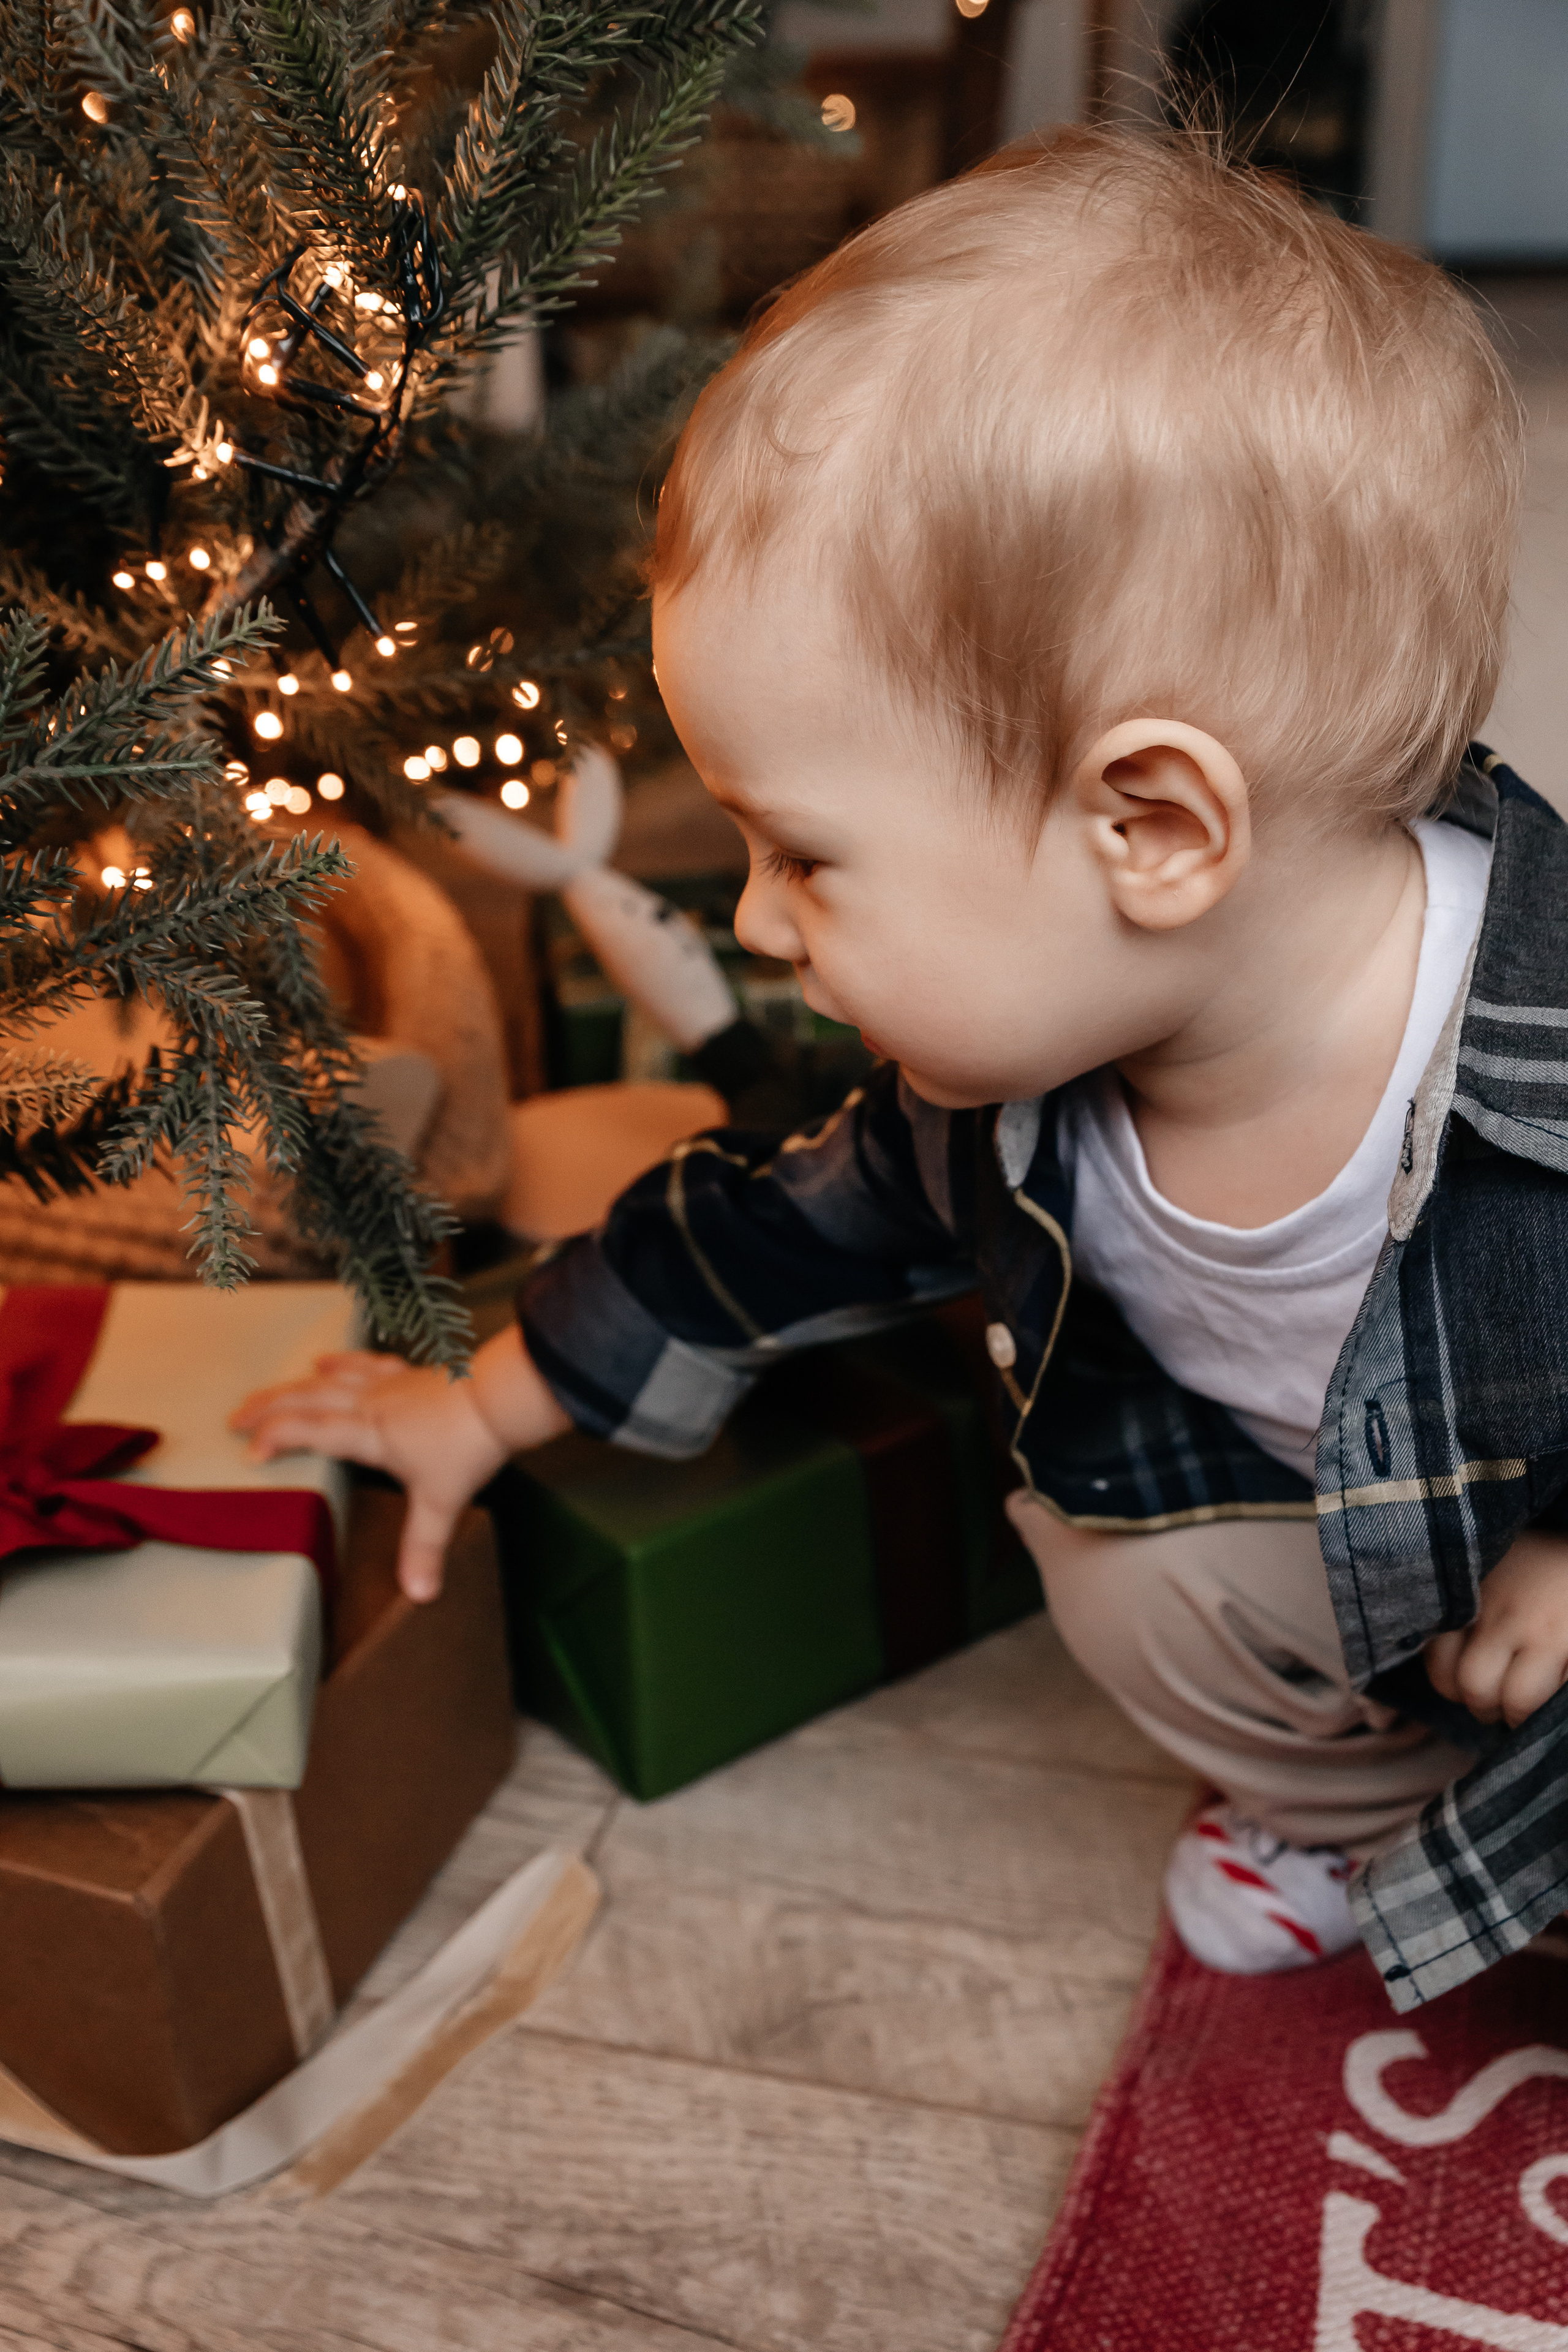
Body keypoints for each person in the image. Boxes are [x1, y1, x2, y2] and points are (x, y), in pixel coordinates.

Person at [236, 124, 1568, 2015]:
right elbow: (758, 1240)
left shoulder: (1538, 1055)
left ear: (1154, 828)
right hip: (1375, 1550)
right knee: (1108, 1567)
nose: (754, 922)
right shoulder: (1003, 1094)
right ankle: (1363, 1816)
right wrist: (480, 1406)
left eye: (806, 854)